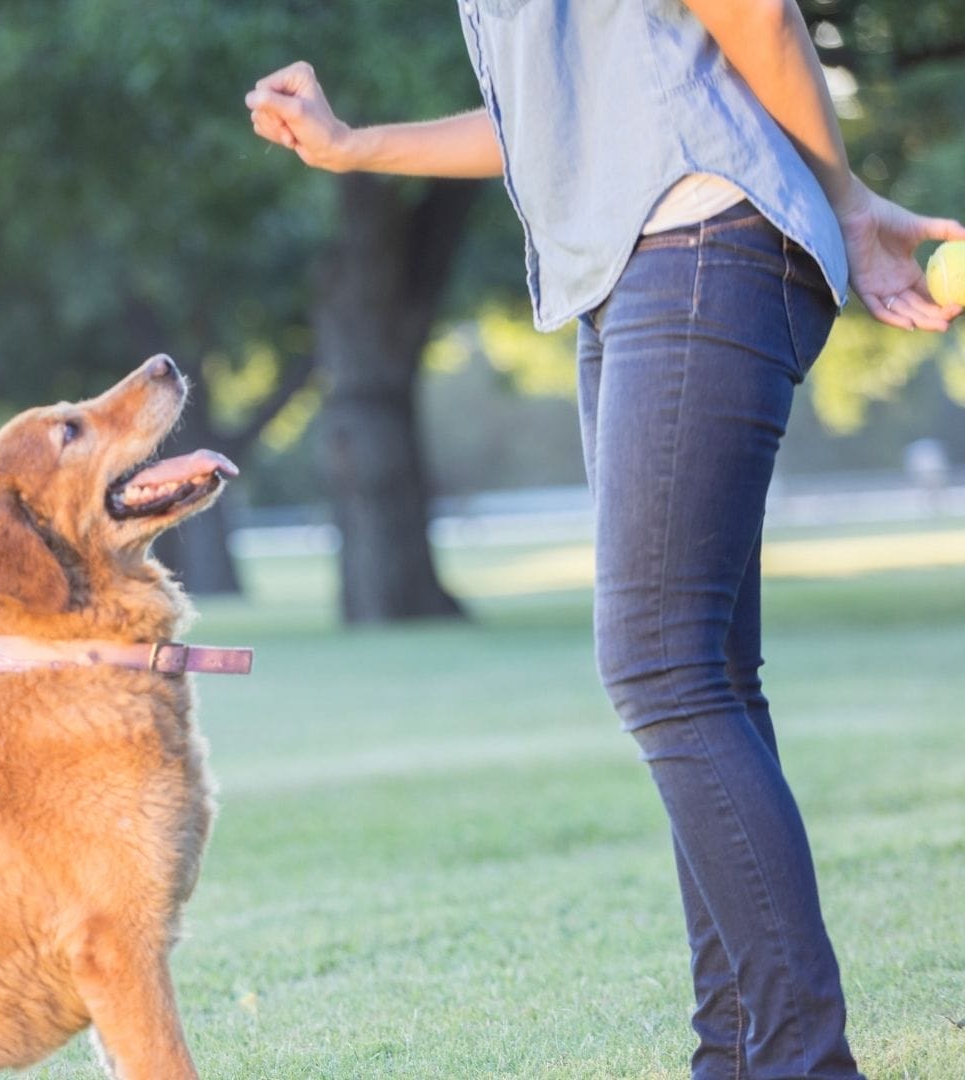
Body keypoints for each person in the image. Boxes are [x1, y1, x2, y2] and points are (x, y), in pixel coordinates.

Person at [245, 2, 963, 1077]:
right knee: (705, 672)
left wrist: (848, 200)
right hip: (634, 267)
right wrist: (357, 146)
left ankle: (804, 1064)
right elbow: (552, 119)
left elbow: (754, 10)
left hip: (703, 238)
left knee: (659, 666)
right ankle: (733, 1057)